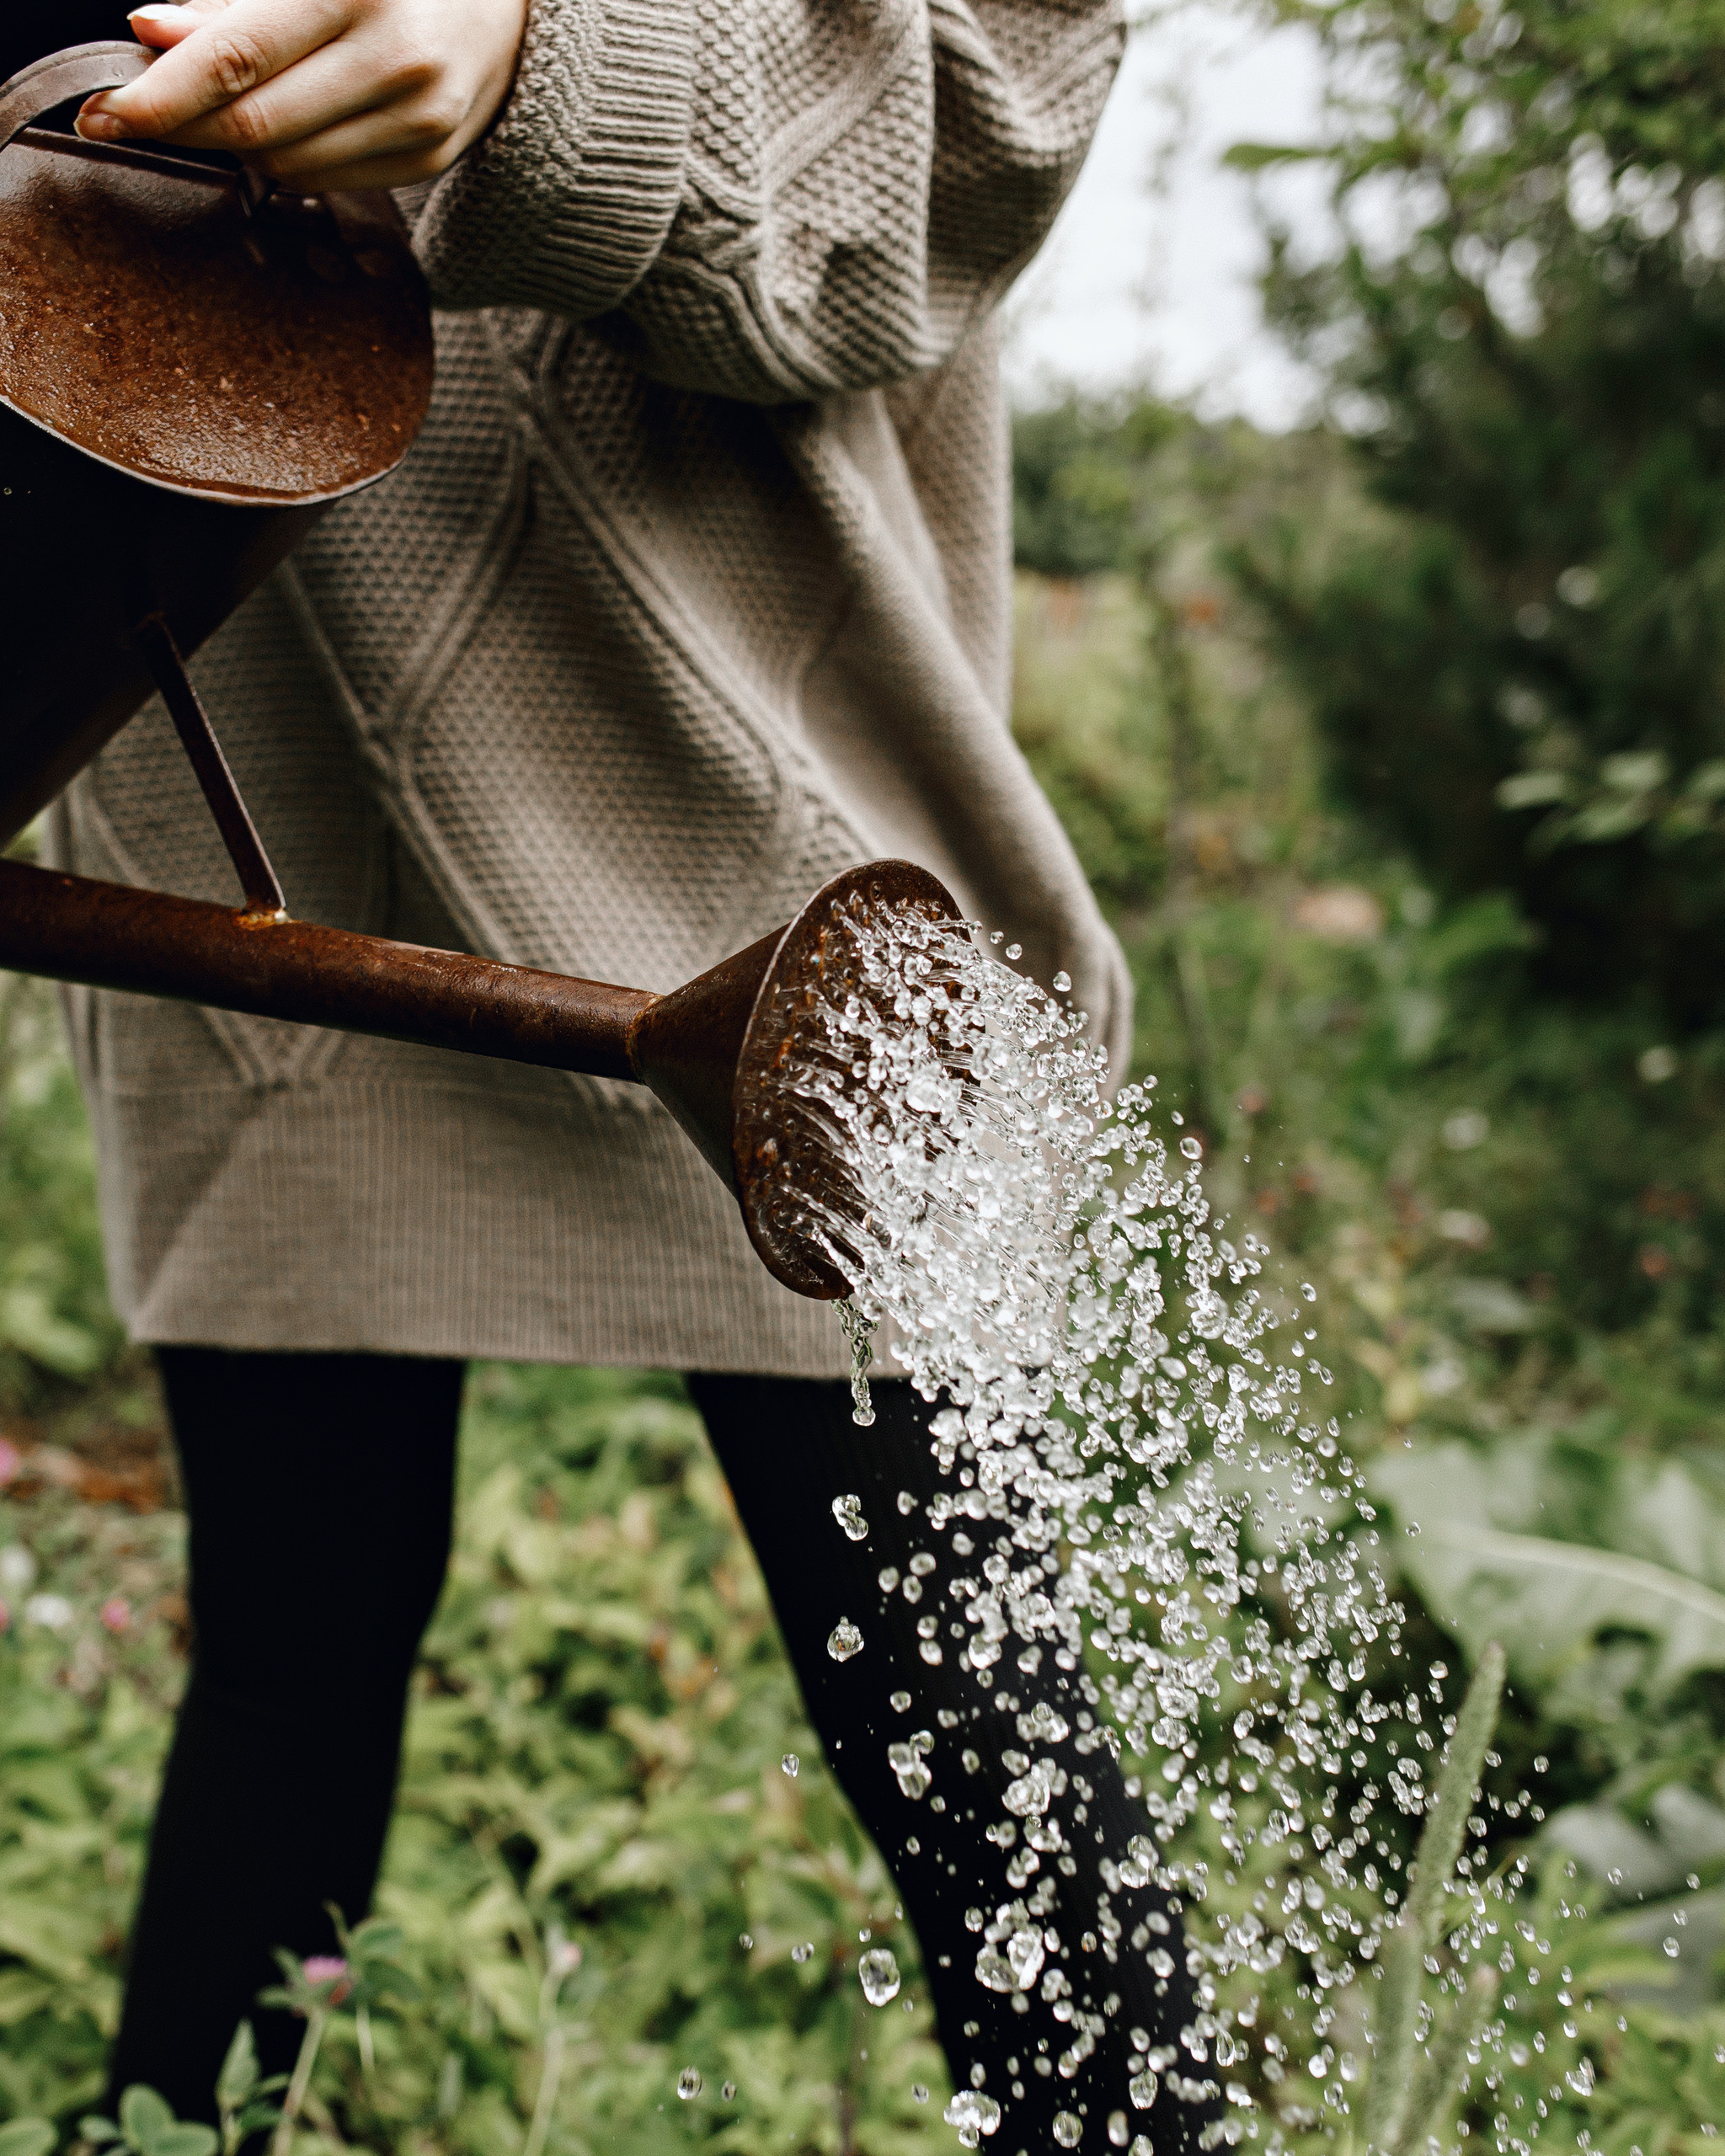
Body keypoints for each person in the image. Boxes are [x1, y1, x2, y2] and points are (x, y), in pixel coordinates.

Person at [33, 0, 1211, 2143]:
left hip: (770, 839)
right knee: (291, 1650)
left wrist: (545, 62)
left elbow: (987, 113)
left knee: (955, 1693)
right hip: (237, 818)